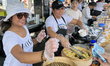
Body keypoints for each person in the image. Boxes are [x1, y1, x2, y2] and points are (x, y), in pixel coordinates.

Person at [1, 2, 59, 66]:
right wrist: (45, 55)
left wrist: (37, 40)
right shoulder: (9, 36)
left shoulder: (24, 27)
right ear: (10, 17)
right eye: (19, 15)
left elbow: (26, 45)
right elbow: (21, 56)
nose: (23, 18)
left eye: (25, 15)